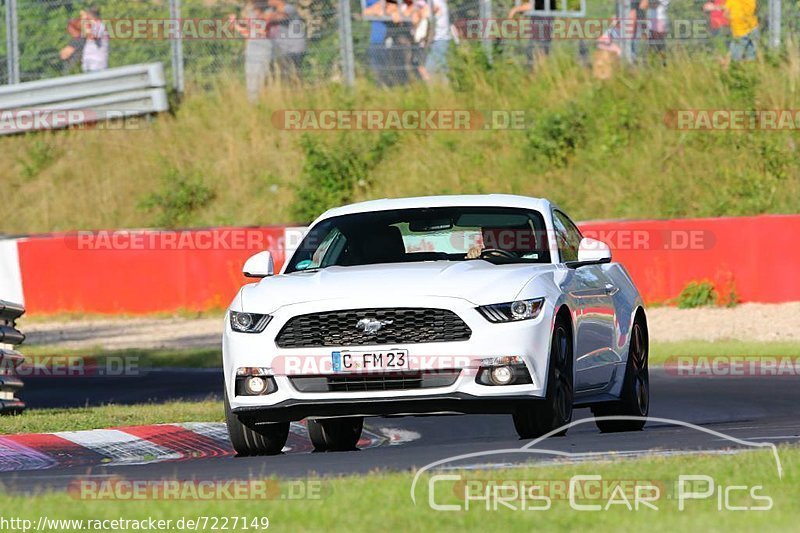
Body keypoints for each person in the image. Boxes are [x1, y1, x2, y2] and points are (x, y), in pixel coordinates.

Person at [229, 0, 272, 102]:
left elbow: (264, 31)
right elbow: (248, 34)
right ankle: (253, 104)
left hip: (263, 52)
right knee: (251, 78)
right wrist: (235, 24)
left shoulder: (270, 13)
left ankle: (264, 102)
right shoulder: (252, 14)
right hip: (251, 53)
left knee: (262, 78)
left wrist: (248, 23)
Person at [265, 0, 307, 84]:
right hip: (280, 51)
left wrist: (260, 16)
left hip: (293, 49)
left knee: (291, 77)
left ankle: (297, 92)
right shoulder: (270, 11)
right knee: (279, 77)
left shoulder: (289, 9)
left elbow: (275, 17)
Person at [421, 0, 451, 81]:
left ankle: (443, 89)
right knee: (440, 68)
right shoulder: (435, 2)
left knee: (430, 69)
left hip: (441, 40)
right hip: (437, 41)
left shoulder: (436, 2)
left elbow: (425, 14)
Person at [363, 0, 390, 85]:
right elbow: (364, 12)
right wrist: (377, 8)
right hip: (376, 41)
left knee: (395, 71)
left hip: (393, 39)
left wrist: (384, 8)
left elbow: (395, 8)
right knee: (378, 74)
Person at [79, 6, 108, 72]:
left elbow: (92, 36)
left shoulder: (100, 25)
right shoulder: (91, 26)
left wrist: (84, 21)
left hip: (97, 64)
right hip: (88, 64)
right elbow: (84, 34)